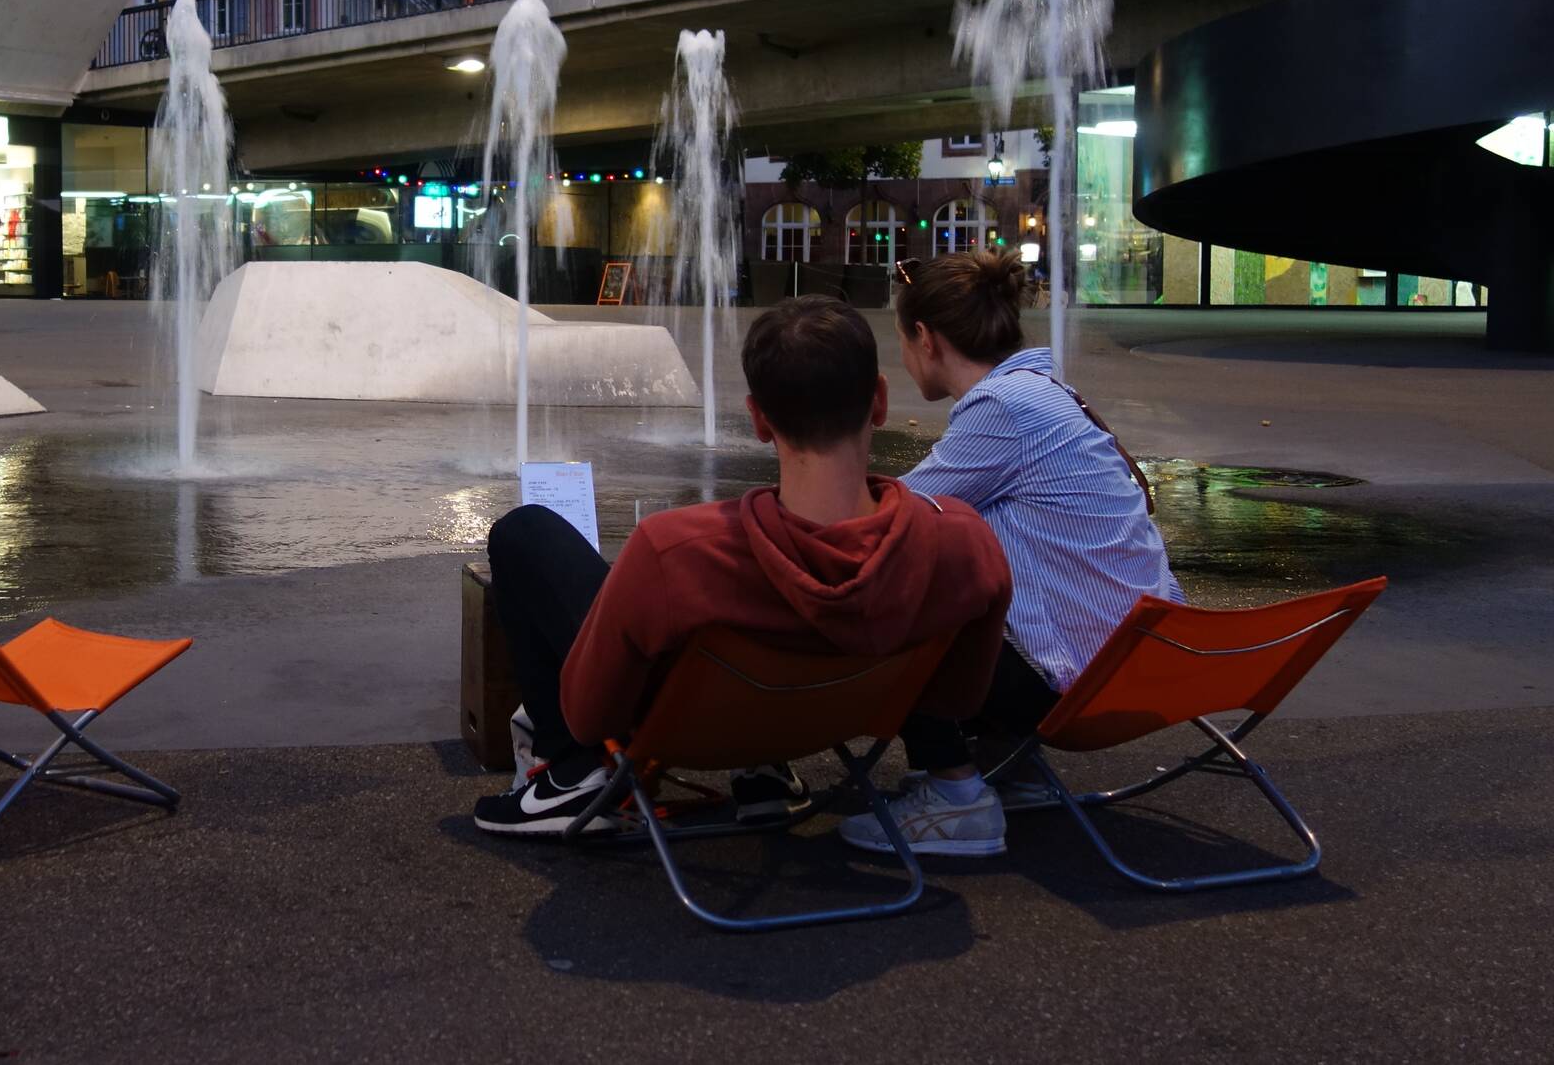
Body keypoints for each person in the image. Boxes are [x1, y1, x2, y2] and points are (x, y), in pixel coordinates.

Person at [473, 296, 1013, 836]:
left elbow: (591, 714)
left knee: (527, 531)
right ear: (878, 402)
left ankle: (570, 778)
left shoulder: (677, 549)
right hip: (831, 718)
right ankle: (766, 773)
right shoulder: (961, 540)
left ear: (757, 419)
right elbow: (958, 699)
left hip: (691, 731)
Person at [841, 250, 1185, 859]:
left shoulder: (1002, 409)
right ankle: (1008, 763)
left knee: (896, 591)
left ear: (925, 337)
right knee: (964, 559)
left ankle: (955, 798)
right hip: (1146, 657)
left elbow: (885, 521)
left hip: (1079, 678)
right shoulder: (1047, 394)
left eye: (901, 338)